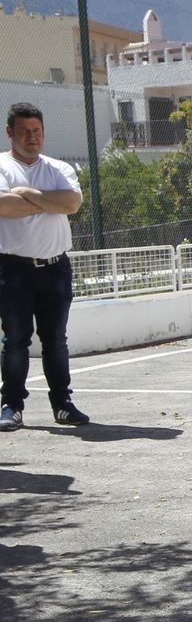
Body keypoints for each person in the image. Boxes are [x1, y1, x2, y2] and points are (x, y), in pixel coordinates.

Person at [0, 102, 87, 431]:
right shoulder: (2, 166)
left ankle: (62, 404)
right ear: (10, 132)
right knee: (16, 340)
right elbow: (3, 206)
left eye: (36, 131)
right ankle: (11, 405)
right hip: (13, 270)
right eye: (24, 131)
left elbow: (72, 203)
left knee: (55, 340)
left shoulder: (58, 168)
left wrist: (27, 194)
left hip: (55, 268)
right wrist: (47, 201)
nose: (31, 137)